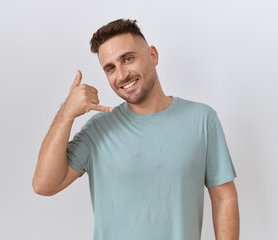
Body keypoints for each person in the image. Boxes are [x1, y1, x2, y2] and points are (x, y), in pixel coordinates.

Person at [32, 19, 239, 240]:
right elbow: (44, 185)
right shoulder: (98, 129)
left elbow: (224, 197)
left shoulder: (202, 119)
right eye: (110, 68)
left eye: (128, 59)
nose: (121, 75)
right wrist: (67, 113)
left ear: (153, 56)